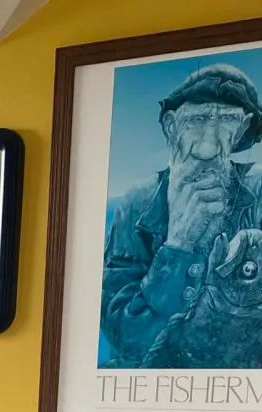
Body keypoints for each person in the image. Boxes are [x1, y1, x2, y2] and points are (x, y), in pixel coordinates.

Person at [101, 63, 262, 368]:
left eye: (227, 120)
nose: (208, 146)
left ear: (244, 127)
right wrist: (178, 245)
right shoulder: (139, 202)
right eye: (197, 119)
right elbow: (127, 339)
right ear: (171, 126)